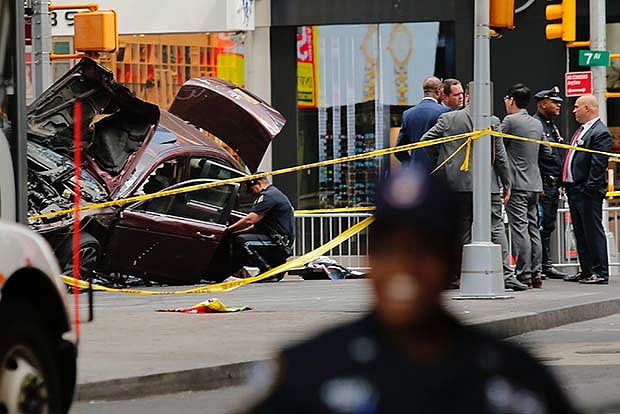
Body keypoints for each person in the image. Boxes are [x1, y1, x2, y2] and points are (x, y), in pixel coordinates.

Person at [239, 168, 575, 413]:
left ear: (452, 260)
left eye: (424, 250)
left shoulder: (513, 380)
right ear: (370, 259)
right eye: (389, 250)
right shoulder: (307, 372)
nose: (404, 267)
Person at [422, 99, 527, 291]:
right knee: (496, 228)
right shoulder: (492, 121)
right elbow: (500, 156)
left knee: (462, 230)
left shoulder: (448, 119)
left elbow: (426, 141)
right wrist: (507, 182)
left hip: (457, 184)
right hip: (488, 184)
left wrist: (445, 163)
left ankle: (461, 274)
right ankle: (506, 275)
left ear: (467, 97)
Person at [501, 83, 550, 289]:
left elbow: (497, 146)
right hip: (534, 184)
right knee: (533, 228)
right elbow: (547, 152)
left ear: (512, 100)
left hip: (517, 185)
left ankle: (524, 274)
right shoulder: (537, 124)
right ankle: (536, 273)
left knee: (519, 229)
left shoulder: (510, 121)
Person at [562, 94, 613, 285]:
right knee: (580, 232)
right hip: (575, 189)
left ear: (587, 108)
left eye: (576, 107)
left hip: (587, 192)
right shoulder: (582, 130)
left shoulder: (600, 132)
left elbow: (598, 164)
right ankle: (586, 270)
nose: (573, 110)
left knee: (592, 231)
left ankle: (600, 272)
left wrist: (588, 187)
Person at [226, 176, 295, 280]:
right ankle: (273, 268)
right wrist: (235, 232)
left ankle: (267, 271)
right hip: (276, 239)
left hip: (278, 242)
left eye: (252, 190)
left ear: (258, 183)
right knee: (239, 237)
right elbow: (254, 226)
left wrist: (228, 230)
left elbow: (250, 220)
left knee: (243, 241)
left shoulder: (269, 196)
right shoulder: (274, 193)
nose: (252, 194)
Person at [533, 87, 568, 280]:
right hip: (544, 184)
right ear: (543, 104)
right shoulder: (537, 125)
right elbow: (535, 158)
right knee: (541, 225)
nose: (558, 105)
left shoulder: (551, 126)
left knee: (548, 225)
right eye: (554, 102)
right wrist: (539, 185)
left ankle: (545, 264)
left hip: (553, 184)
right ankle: (540, 265)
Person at [394, 76, 449, 171]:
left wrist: (410, 163)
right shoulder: (445, 112)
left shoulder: (408, 114)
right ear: (438, 90)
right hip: (437, 171)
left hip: (416, 172)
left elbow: (399, 149)